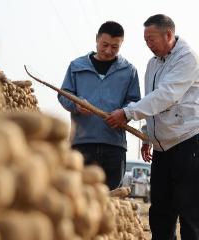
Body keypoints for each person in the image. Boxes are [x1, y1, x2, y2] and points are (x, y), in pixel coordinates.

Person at [106, 14, 199, 239]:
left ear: (168, 34)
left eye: (152, 39)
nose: (148, 44)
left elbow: (166, 95)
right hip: (161, 149)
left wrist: (128, 113)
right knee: (160, 211)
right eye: (145, 40)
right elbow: (152, 100)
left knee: (190, 211)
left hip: (187, 143)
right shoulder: (152, 64)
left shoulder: (187, 58)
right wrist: (148, 135)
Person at [58, 21, 141, 190]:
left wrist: (124, 113)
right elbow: (63, 94)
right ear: (96, 39)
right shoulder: (76, 66)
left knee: (110, 199)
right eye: (105, 45)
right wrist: (75, 104)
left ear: (121, 44)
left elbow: (134, 102)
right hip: (81, 144)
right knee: (78, 195)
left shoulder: (129, 71)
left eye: (115, 47)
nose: (109, 51)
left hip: (114, 146)